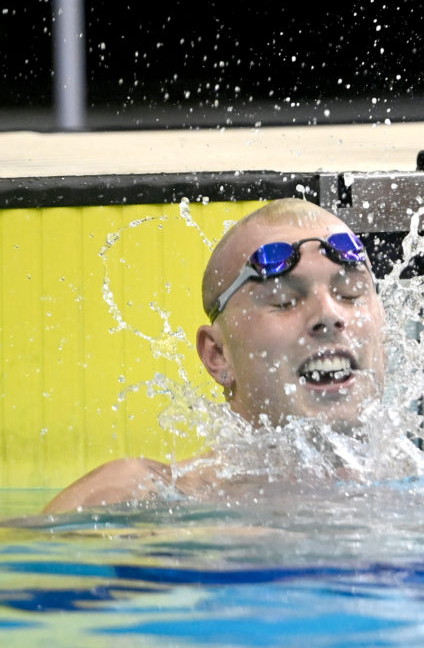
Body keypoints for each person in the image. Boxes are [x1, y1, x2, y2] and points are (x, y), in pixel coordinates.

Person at [43, 198, 386, 513]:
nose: (329, 315)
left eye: (350, 293)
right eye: (284, 302)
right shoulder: (142, 498)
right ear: (218, 354)